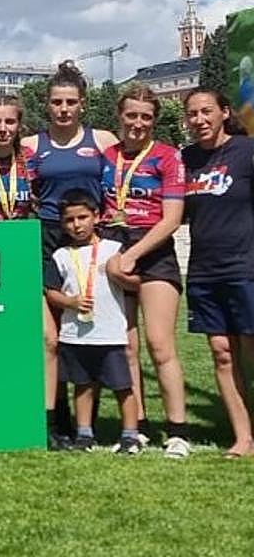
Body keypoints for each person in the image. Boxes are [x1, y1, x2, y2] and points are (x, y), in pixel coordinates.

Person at [21, 60, 118, 446]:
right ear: (47, 104)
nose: (64, 109)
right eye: (57, 102)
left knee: (87, 331)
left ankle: (86, 423)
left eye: (71, 102)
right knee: (51, 337)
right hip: (46, 239)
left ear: (82, 104)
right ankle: (54, 419)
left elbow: (128, 170)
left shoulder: (103, 141)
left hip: (88, 241)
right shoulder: (31, 145)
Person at [102, 85, 189, 458]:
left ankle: (178, 431)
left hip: (152, 250)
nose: (138, 123)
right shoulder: (106, 156)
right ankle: (135, 428)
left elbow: (172, 218)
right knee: (126, 347)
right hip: (114, 245)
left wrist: (133, 255)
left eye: (146, 117)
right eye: (131, 115)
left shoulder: (168, 157)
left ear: (153, 120)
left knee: (159, 344)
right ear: (120, 116)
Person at [181, 88, 254, 458]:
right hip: (204, 273)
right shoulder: (187, 158)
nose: (199, 120)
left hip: (246, 268)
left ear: (224, 112)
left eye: (206, 111)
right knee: (222, 353)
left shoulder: (245, 151)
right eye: (192, 114)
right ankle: (243, 438)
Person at [43, 189, 141, 453]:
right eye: (69, 220)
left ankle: (130, 435)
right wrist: (70, 303)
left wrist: (122, 276)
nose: (76, 225)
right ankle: (84, 434)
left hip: (110, 334)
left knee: (123, 387)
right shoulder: (61, 255)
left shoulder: (114, 249)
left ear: (96, 216)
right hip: (75, 334)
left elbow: (136, 282)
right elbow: (51, 292)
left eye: (82, 217)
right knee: (82, 386)